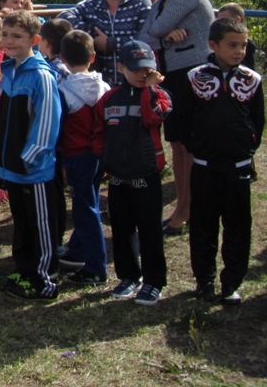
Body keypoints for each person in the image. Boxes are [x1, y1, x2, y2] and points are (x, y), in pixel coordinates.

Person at [181, 18, 264, 305]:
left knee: (238, 226)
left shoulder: (252, 80)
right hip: (204, 166)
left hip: (238, 167)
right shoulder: (194, 77)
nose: (239, 51)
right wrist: (197, 146)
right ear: (213, 45)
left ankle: (231, 283)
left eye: (243, 45)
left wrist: (248, 146)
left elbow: (257, 120)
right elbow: (184, 118)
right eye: (232, 45)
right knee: (203, 225)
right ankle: (204, 280)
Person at [138, 0, 214, 236]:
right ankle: (183, 205)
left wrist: (162, 34)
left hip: (193, 76)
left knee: (190, 144)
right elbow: (147, 37)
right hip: (175, 76)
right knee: (178, 144)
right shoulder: (160, 2)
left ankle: (189, 208)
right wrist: (168, 36)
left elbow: (154, 30)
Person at [92, 39, 173, 305]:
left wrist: (151, 88)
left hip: (145, 176)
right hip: (117, 177)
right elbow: (99, 132)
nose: (141, 74)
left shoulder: (159, 95)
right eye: (136, 69)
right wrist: (104, 158)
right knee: (122, 228)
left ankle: (153, 281)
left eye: (147, 69)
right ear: (121, 66)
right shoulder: (109, 97)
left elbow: (155, 117)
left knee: (149, 230)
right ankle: (128, 276)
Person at [0, 11, 63, 301]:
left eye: (17, 36)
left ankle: (45, 278)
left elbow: (46, 123)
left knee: (40, 225)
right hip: (11, 168)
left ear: (34, 40)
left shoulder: (41, 76)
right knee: (21, 222)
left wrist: (28, 158)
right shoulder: (6, 71)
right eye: (6, 35)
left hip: (34, 170)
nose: (9, 41)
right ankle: (23, 268)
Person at [57, 30, 111, 285]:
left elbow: (59, 127)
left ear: (62, 58)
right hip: (99, 154)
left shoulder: (63, 91)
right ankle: (78, 250)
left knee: (85, 209)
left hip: (77, 155)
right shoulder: (105, 86)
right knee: (88, 202)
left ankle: (96, 267)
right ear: (92, 56)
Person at [58, 0, 150, 86]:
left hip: (136, 82)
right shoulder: (91, 5)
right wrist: (92, 36)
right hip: (102, 86)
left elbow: (145, 39)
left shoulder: (140, 1)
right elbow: (64, 16)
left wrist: (110, 43)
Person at [215, 3, 256, 68]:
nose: (220, 25)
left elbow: (250, 68)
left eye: (224, 21)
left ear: (237, 20)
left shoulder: (248, 43)